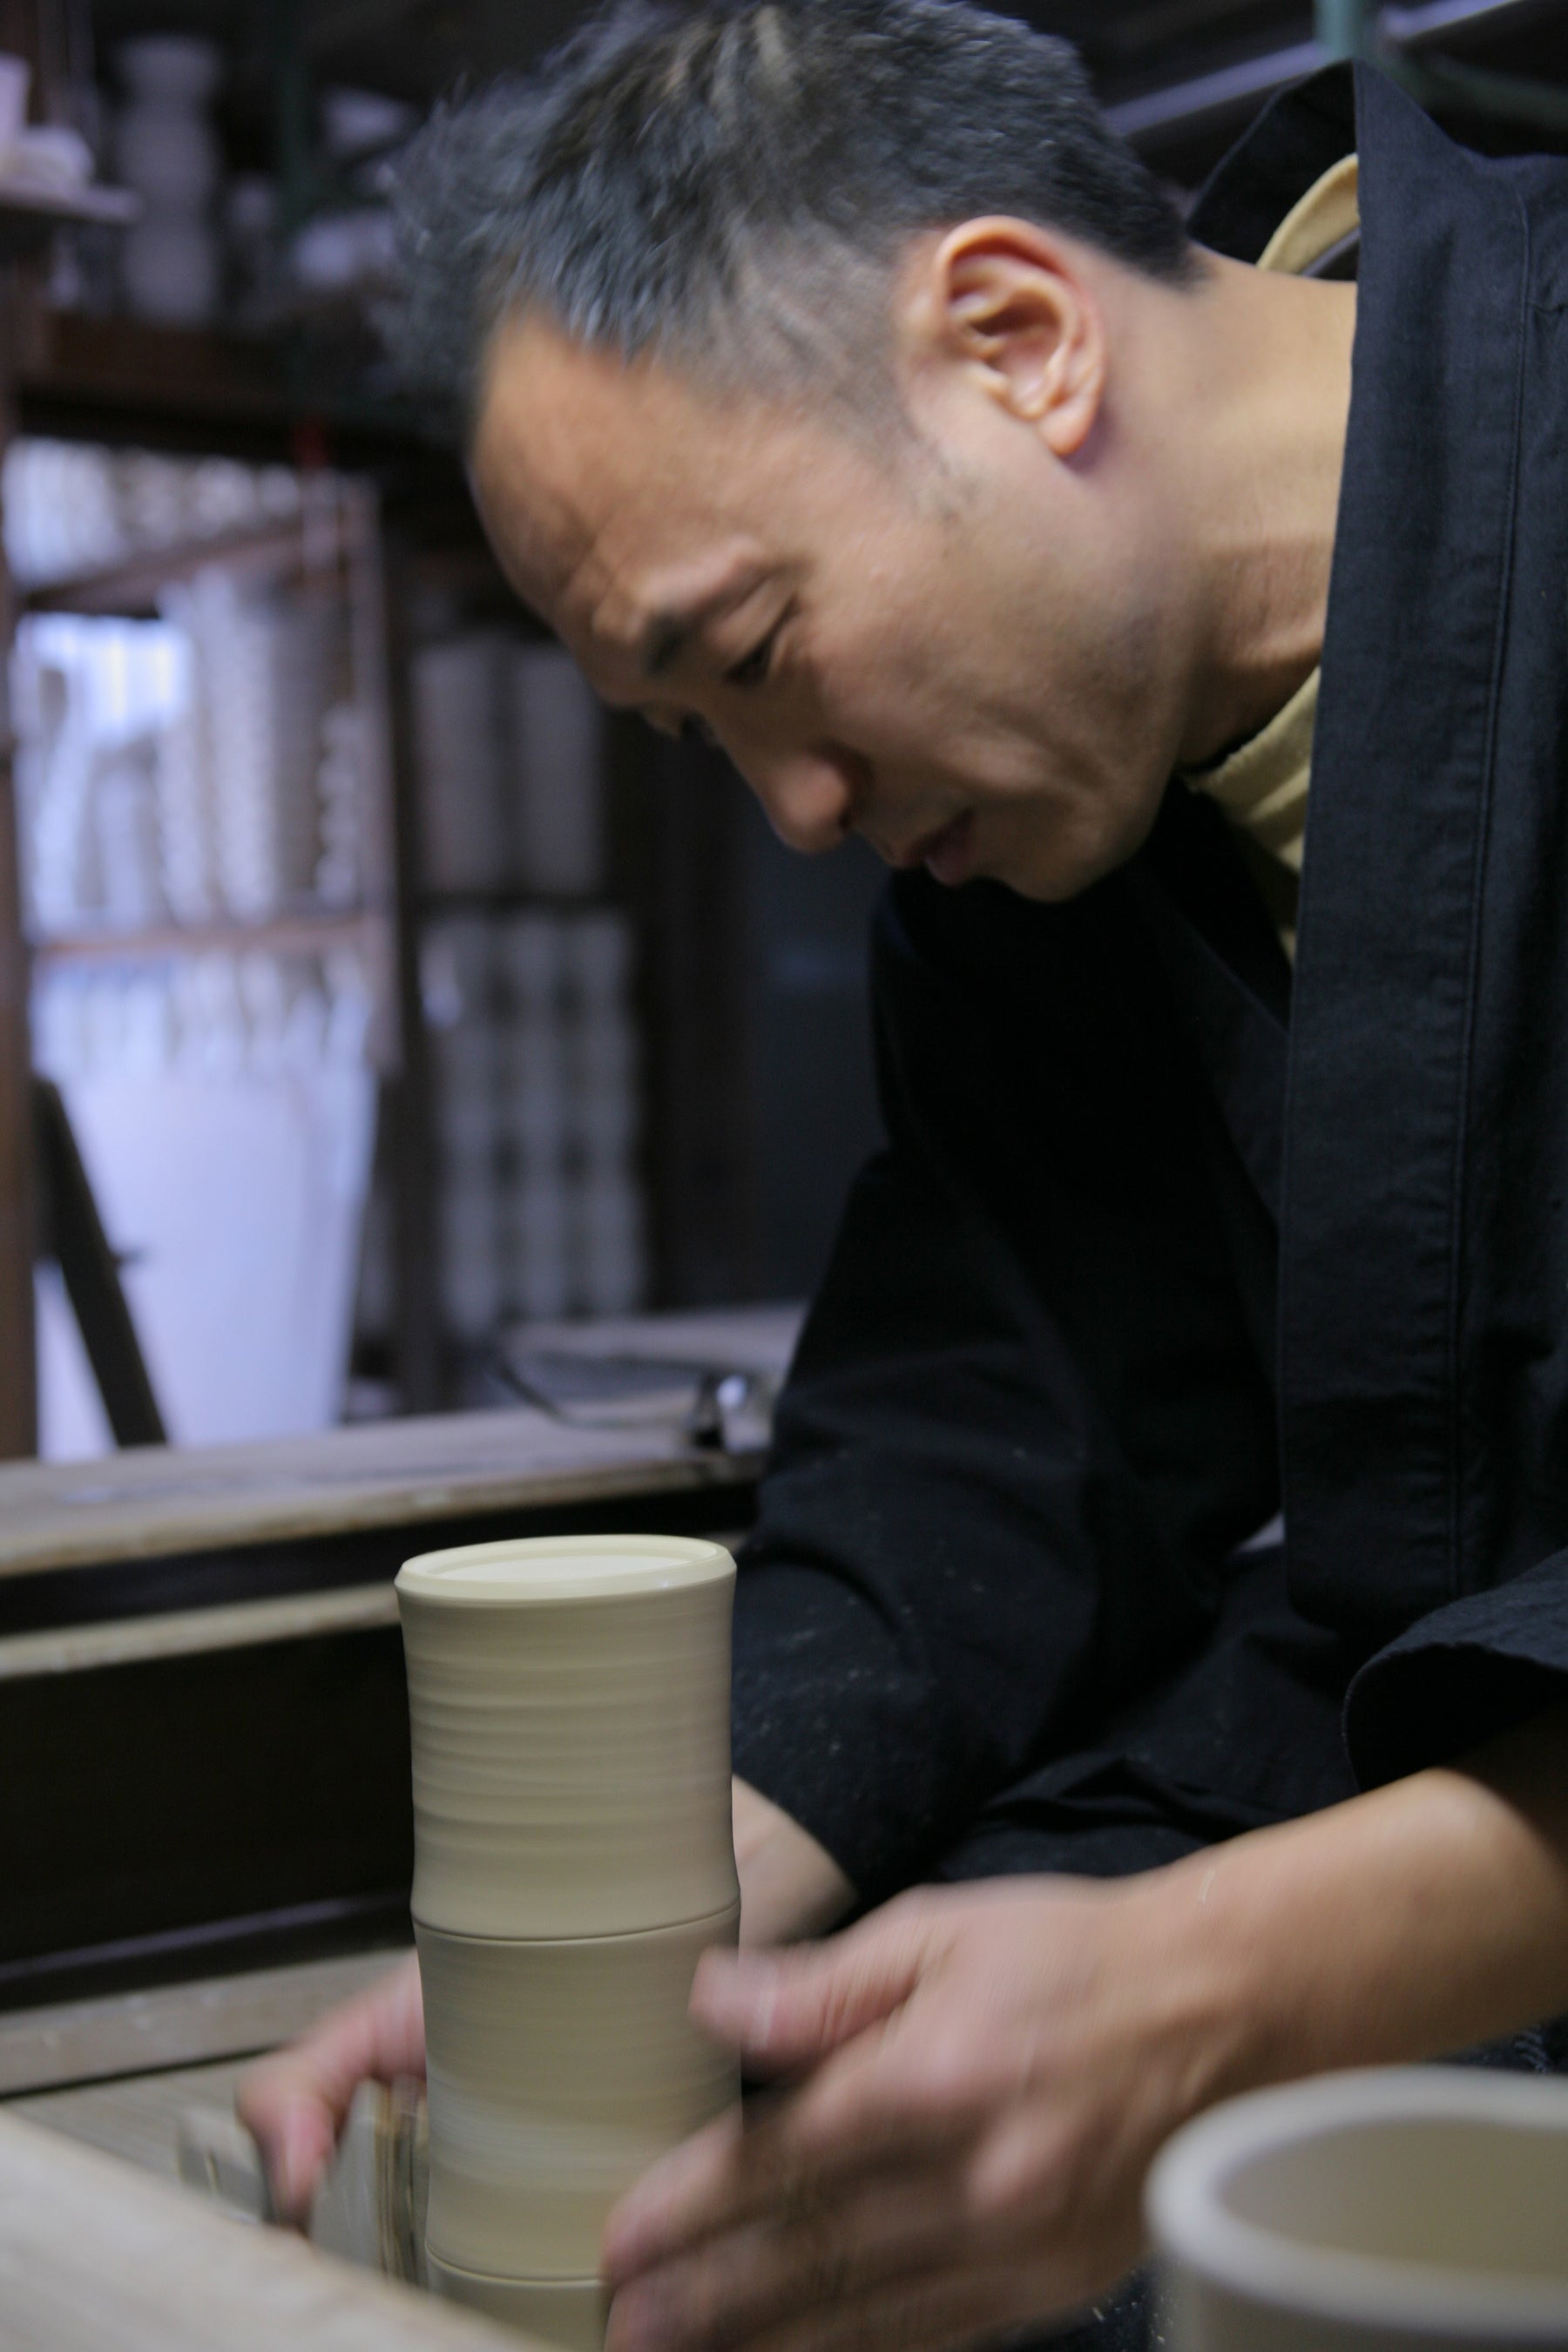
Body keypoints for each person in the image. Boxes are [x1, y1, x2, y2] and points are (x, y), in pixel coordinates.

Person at [240, 8, 1568, 2348]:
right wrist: (649, 1924)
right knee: (843, 2124)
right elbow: (1001, 1403)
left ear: (1017, 339)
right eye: (706, 734)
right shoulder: (1046, 821)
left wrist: (1215, 1986)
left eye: (755, 655)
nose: (799, 812)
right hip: (1460, 1755)